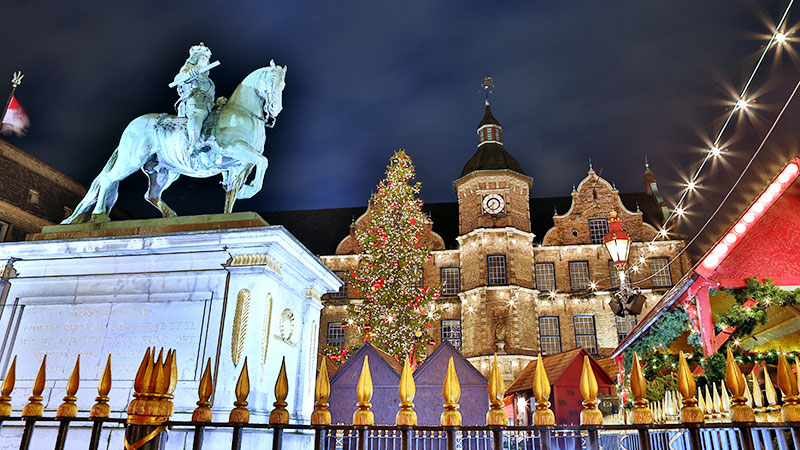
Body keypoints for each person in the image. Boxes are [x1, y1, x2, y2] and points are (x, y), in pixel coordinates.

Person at [173, 43, 216, 150]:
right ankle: (194, 144)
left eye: (206, 59)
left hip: (208, 105)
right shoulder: (189, 68)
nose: (205, 61)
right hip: (194, 102)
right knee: (198, 114)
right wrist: (189, 75)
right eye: (203, 58)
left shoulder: (207, 78)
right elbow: (178, 79)